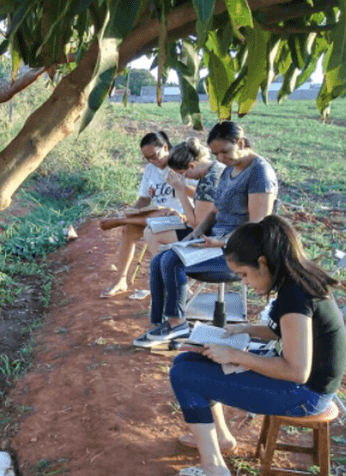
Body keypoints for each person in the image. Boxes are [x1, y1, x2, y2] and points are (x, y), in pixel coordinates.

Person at [167, 215, 346, 476]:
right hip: (303, 386)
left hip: (306, 395)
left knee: (183, 374)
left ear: (262, 263)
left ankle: (214, 469)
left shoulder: (295, 296)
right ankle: (223, 439)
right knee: (189, 360)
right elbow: (281, 330)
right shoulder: (295, 280)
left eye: (244, 275)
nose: (245, 283)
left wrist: (235, 355)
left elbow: (296, 371)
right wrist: (240, 330)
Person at [134, 122, 278, 347]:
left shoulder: (259, 172)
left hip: (241, 250)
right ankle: (163, 323)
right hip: (214, 242)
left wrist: (220, 242)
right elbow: (214, 211)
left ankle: (176, 323)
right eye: (215, 154)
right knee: (161, 259)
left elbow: (257, 226)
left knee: (171, 262)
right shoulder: (230, 169)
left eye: (224, 152)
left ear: (240, 143)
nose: (220, 159)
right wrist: (195, 236)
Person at [100, 131, 194, 298]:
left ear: (165, 147)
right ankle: (121, 280)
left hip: (181, 219)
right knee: (129, 229)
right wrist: (132, 212)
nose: (152, 161)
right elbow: (144, 199)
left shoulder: (181, 164)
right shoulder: (151, 169)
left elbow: (198, 196)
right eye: (147, 158)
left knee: (159, 217)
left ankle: (120, 220)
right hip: (156, 216)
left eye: (155, 156)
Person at [143, 138, 226, 255]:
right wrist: (183, 216)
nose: (186, 178)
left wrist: (181, 191)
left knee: (152, 233)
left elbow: (198, 226)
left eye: (183, 174)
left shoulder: (209, 182)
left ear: (192, 165)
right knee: (152, 229)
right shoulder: (215, 167)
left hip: (216, 237)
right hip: (222, 229)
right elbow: (205, 204)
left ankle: (169, 268)